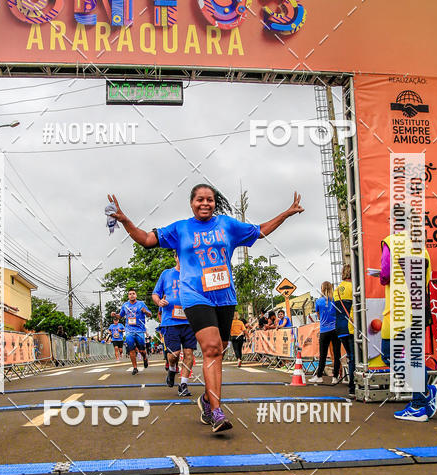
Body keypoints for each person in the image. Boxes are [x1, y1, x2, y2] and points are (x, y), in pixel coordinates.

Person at [107, 184, 304, 433]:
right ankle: (218, 411)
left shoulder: (227, 225)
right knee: (210, 349)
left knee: (219, 349)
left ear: (214, 202)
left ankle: (206, 401)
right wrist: (126, 221)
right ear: (192, 203)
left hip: (225, 297)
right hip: (195, 296)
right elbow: (146, 239)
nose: (205, 204)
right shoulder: (180, 229)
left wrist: (286, 214)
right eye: (200, 199)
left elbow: (260, 231)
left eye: (210, 200)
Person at [378, 230, 437, 421]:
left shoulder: (391, 242)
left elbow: (385, 274)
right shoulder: (424, 250)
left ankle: (421, 401)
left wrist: (382, 278)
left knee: (389, 356)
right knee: (414, 358)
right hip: (418, 310)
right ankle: (422, 398)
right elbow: (427, 279)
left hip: (398, 312)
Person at [152, 253, 197, 397]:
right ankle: (172, 369)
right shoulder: (166, 274)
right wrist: (159, 302)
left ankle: (183, 384)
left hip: (190, 320)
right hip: (170, 321)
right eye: (180, 256)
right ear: (175, 257)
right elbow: (155, 294)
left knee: (189, 354)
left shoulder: (194, 274)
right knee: (174, 355)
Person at [309, 281, 342, 384]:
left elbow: (318, 315)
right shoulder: (335, 300)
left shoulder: (319, 302)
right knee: (337, 354)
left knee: (323, 354)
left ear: (322, 289)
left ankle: (319, 376)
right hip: (335, 329)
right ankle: (335, 377)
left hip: (324, 330)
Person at [334, 264, 355, 398]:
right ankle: (353, 387)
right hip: (351, 326)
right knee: (354, 358)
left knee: (349, 356)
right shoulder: (353, 287)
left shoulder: (336, 290)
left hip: (339, 327)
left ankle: (352, 387)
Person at [118, 288, 152, 375]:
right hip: (129, 330)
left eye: (133, 293)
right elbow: (120, 316)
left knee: (141, 350)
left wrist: (146, 312)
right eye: (130, 294)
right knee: (131, 349)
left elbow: (150, 314)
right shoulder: (125, 305)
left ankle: (145, 357)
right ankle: (135, 367)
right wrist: (115, 315)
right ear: (128, 296)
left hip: (140, 330)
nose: (132, 295)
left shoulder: (141, 304)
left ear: (136, 295)